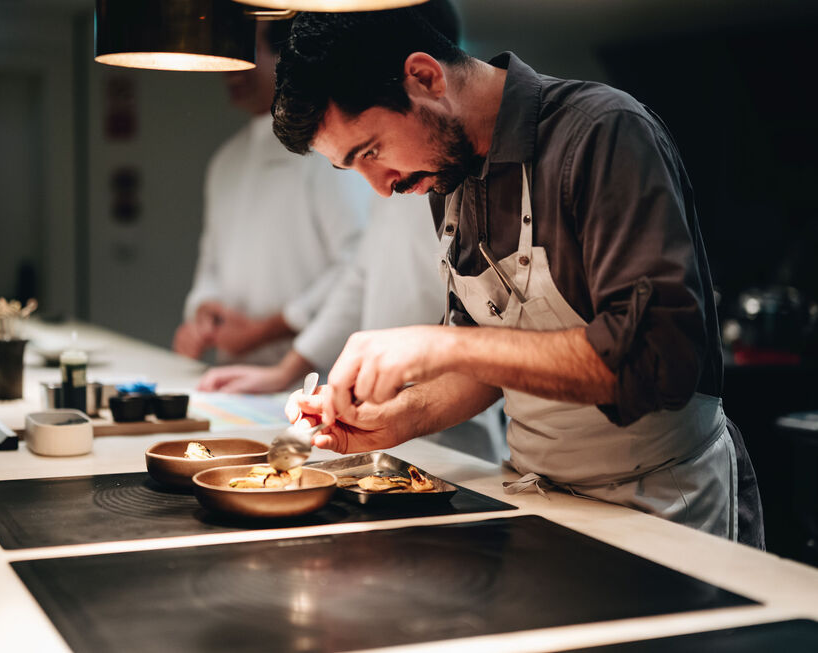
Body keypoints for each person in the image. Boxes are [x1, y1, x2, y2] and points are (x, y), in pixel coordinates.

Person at [272, 8, 764, 547]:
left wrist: (440, 346)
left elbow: (655, 360)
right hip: (542, 499)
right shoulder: (448, 174)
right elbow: (492, 368)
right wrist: (395, 419)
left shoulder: (602, 133)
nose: (381, 187)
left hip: (668, 505)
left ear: (425, 77)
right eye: (355, 167)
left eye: (372, 151)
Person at [172, 20, 369, 368]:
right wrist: (203, 310)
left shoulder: (328, 153)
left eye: (246, 49)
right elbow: (211, 265)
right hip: (231, 376)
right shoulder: (226, 159)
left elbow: (357, 261)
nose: (231, 65)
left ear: (286, 56)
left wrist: (273, 327)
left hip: (313, 374)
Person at [196, 192, 445, 393]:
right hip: (385, 393)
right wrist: (285, 372)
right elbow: (358, 280)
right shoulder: (386, 191)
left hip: (450, 401)